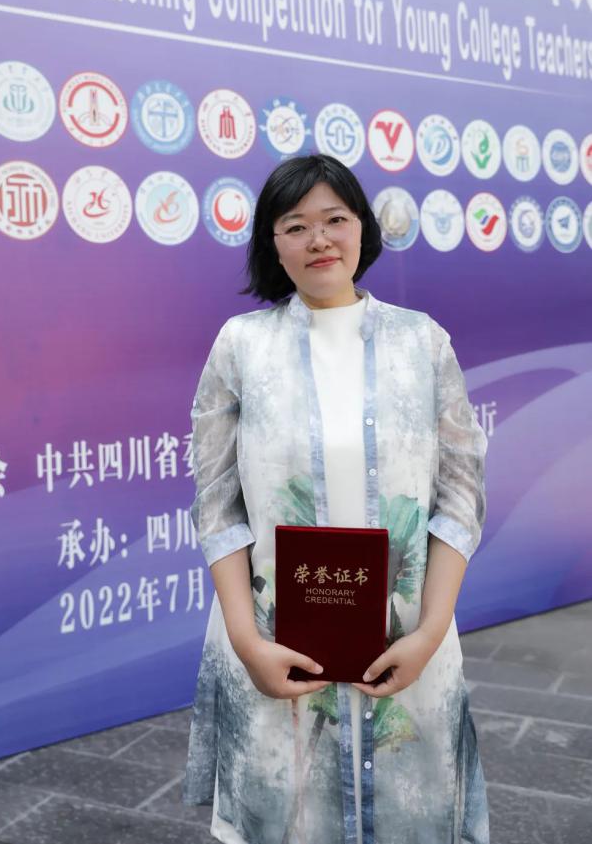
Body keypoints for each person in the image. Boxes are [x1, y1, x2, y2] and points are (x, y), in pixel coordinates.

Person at [183, 153, 489, 844]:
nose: (318, 239)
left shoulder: (422, 342)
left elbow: (460, 493)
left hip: (407, 639)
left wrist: (431, 630)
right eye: (295, 226)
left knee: (411, 817)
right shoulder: (241, 347)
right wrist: (246, 641)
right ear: (273, 244)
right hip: (274, 643)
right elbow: (217, 504)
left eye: (335, 219)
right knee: (288, 817)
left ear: (362, 229)